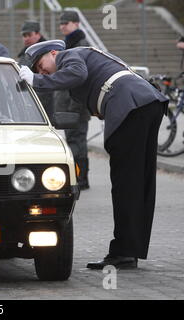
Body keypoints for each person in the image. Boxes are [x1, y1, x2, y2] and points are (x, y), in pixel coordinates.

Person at [18, 40, 168, 270]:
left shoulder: (70, 56)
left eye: (40, 64)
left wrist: (37, 80)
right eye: (38, 70)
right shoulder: (78, 60)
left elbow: (77, 74)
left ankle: (123, 252)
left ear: (53, 53)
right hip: (147, 103)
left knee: (125, 183)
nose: (41, 70)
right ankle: (130, 249)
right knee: (140, 182)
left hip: (131, 106)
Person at [56, 11, 91, 190]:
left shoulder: (81, 45)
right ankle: (78, 177)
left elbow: (80, 79)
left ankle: (81, 178)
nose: (62, 26)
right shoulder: (69, 43)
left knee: (77, 142)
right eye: (61, 23)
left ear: (76, 24)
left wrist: (75, 107)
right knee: (73, 142)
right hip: (69, 104)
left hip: (75, 105)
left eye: (66, 23)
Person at [17, 20, 54, 123]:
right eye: (24, 35)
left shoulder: (46, 54)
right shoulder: (26, 53)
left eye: (29, 35)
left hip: (42, 105)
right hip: (28, 102)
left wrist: (34, 103)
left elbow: (47, 82)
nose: (26, 38)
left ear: (38, 34)